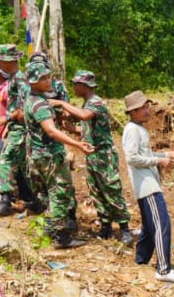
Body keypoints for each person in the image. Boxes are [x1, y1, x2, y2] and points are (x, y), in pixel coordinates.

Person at [49, 71, 133, 244]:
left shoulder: (96, 102)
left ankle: (125, 228)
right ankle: (106, 226)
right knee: (96, 192)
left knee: (111, 189)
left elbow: (85, 116)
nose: (73, 88)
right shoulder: (87, 103)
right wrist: (72, 129)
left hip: (104, 155)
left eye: (76, 84)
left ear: (84, 85)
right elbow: (88, 128)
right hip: (92, 155)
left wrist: (61, 103)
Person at [23, 60, 93, 249]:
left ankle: (49, 232)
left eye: (48, 77)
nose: (48, 81)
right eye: (43, 78)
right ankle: (58, 236)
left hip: (38, 155)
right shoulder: (39, 105)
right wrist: (77, 143)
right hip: (49, 157)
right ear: (32, 81)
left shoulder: (32, 99)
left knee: (50, 194)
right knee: (60, 194)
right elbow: (51, 131)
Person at [122, 90, 174, 281]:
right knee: (161, 224)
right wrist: (158, 162)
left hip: (149, 184)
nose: (147, 111)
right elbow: (132, 158)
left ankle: (141, 262)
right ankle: (164, 270)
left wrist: (170, 154)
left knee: (148, 227)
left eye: (147, 106)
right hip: (147, 186)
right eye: (142, 108)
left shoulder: (139, 129)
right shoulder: (132, 130)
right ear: (133, 111)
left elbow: (146, 155)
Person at [0, 45, 43, 217]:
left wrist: (6, 119)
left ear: (7, 61)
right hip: (16, 128)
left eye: (0, 59)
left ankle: (6, 201)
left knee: (3, 161)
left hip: (21, 129)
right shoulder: (15, 79)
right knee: (23, 167)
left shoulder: (20, 81)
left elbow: (25, 109)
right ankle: (36, 201)